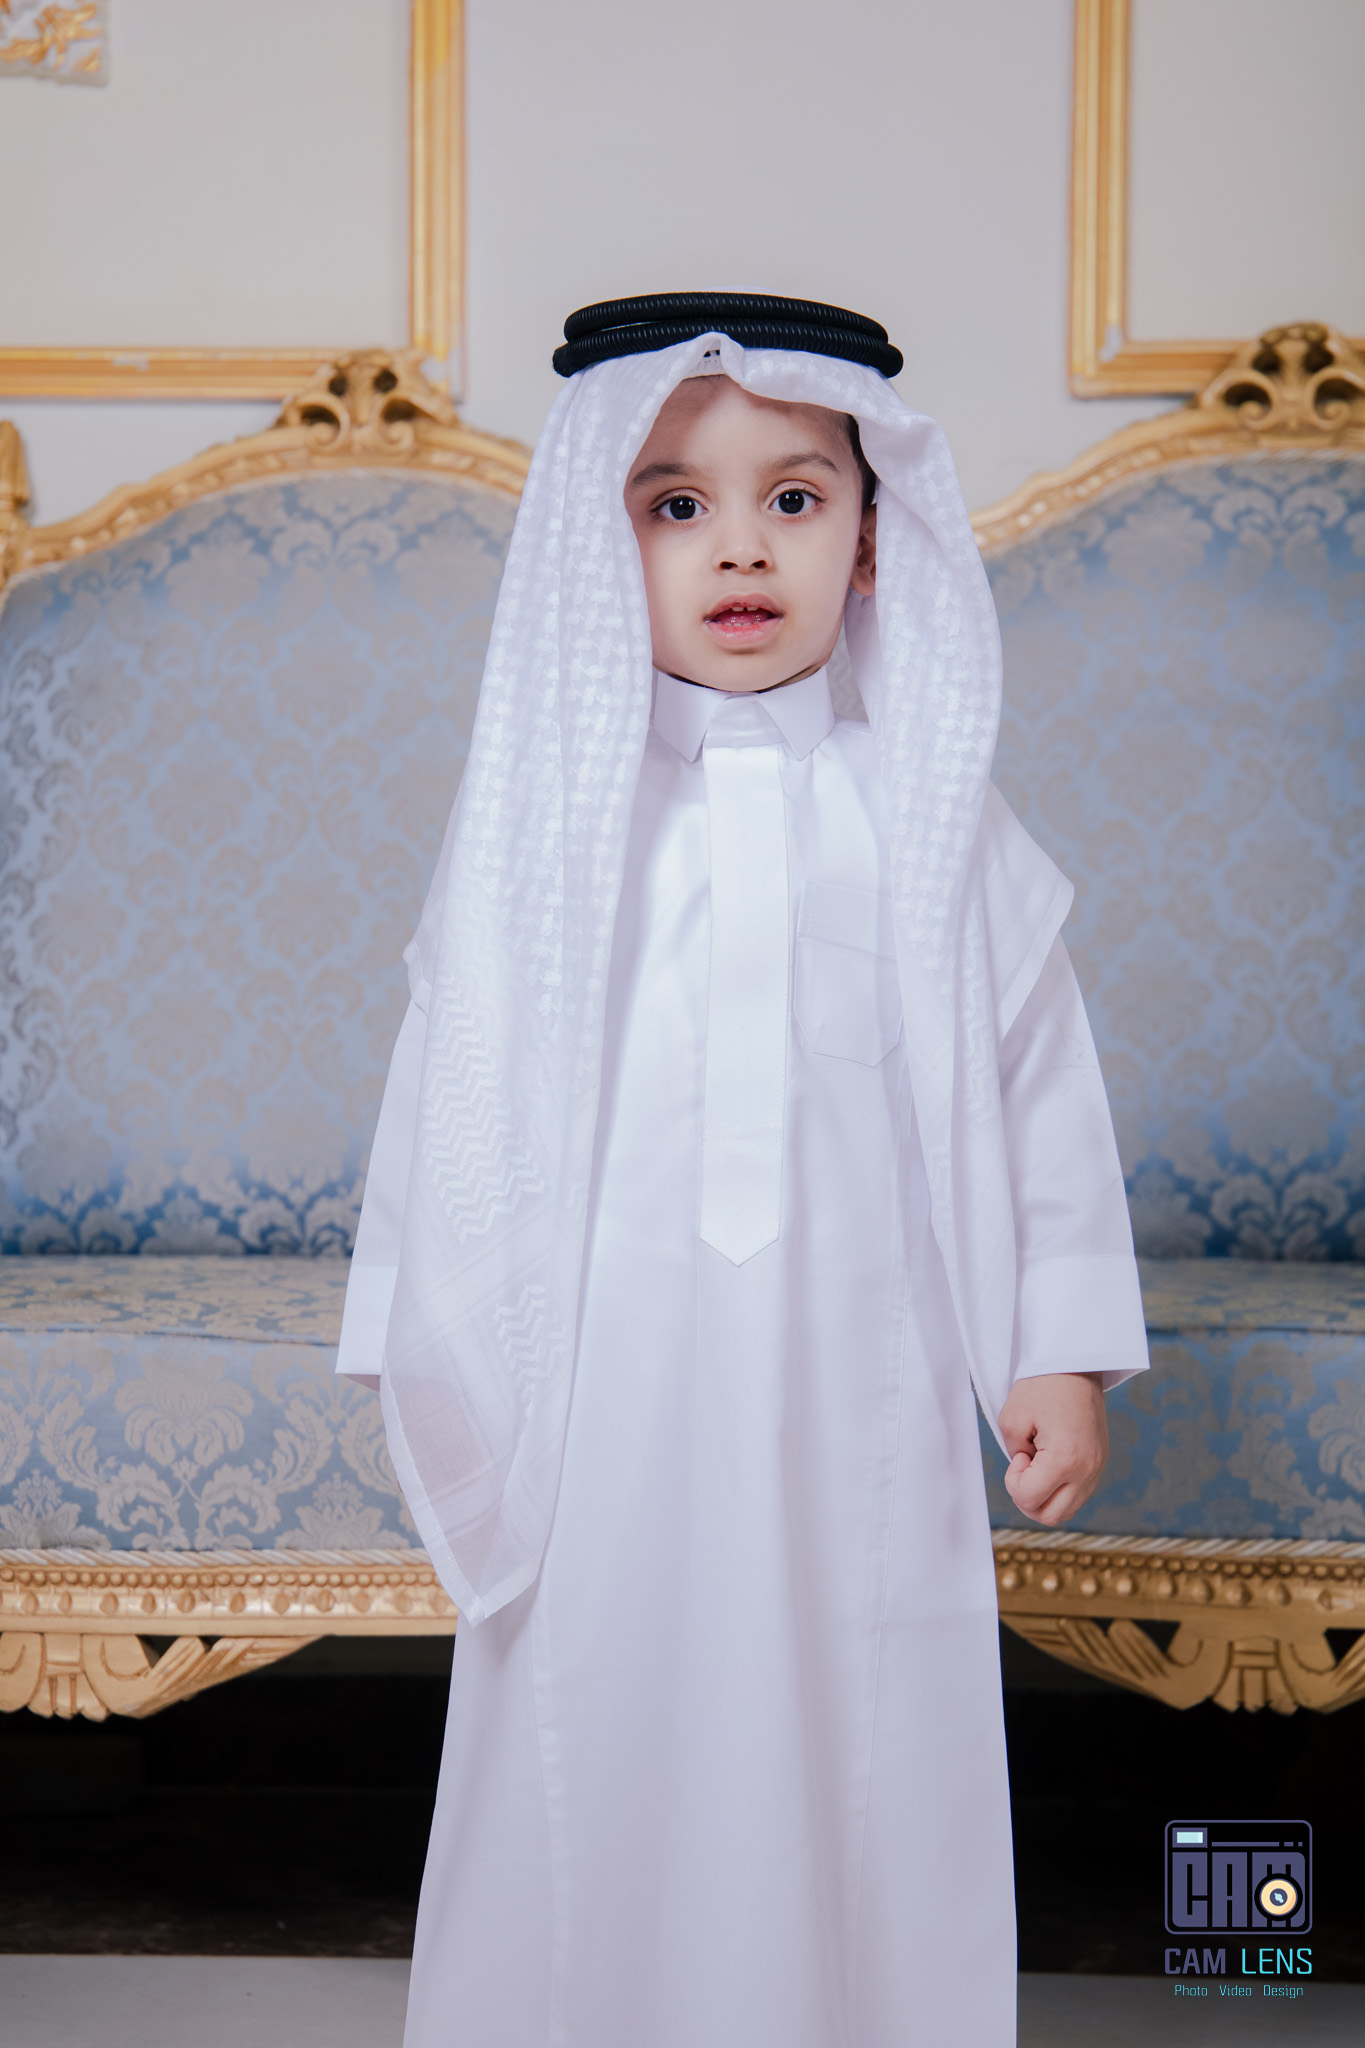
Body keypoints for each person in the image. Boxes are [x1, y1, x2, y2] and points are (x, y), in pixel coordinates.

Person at [337, 293, 1149, 2048]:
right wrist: (413, 1327)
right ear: (597, 549)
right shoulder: (543, 833)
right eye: (673, 505)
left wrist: (1059, 1353)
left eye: (793, 498)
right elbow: (446, 1094)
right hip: (598, 1391)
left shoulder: (930, 820)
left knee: (858, 1706)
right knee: (591, 1698)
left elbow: (1038, 1096)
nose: (739, 547)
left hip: (861, 1391)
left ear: (872, 543)